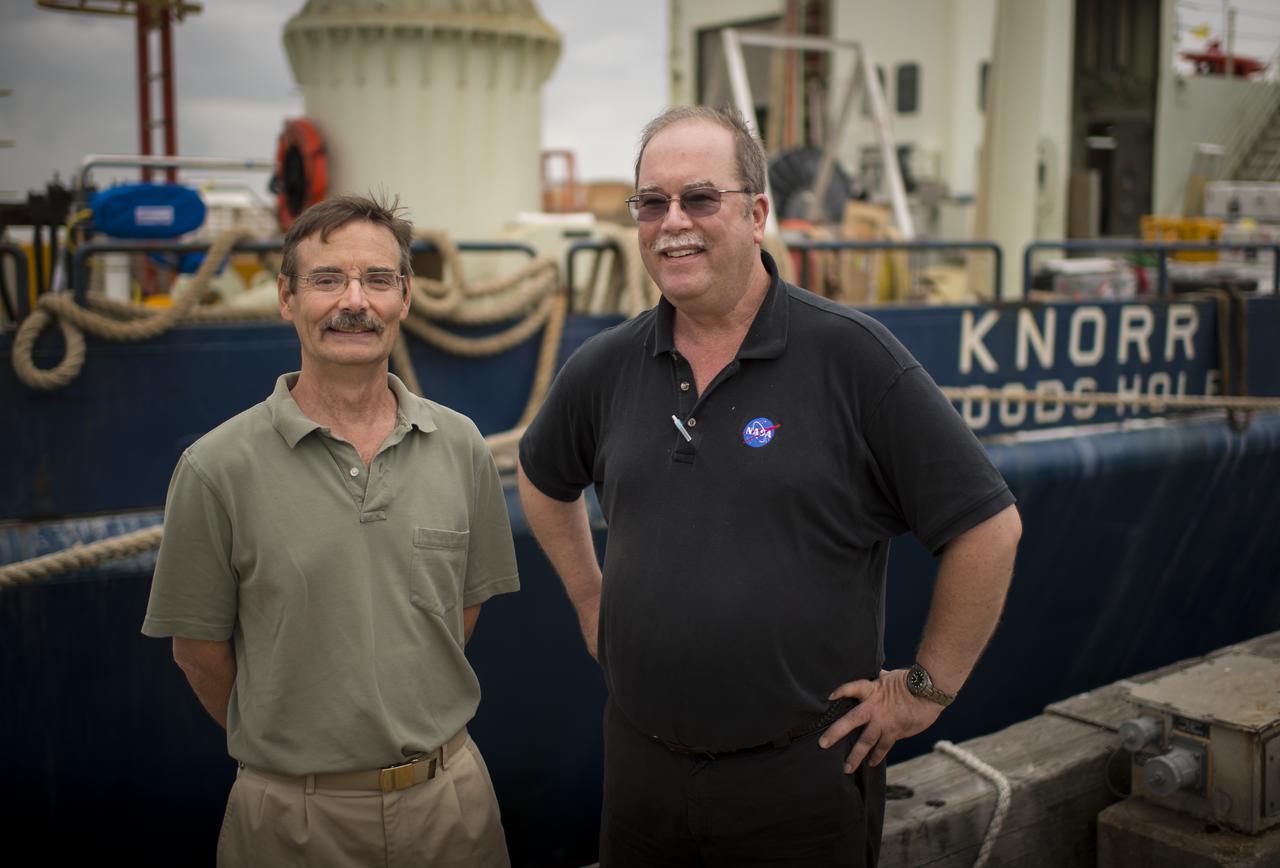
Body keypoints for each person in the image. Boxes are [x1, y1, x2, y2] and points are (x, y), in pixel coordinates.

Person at [517, 106, 1021, 867]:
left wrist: (924, 690)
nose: (672, 222)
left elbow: (988, 528)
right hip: (641, 774)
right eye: (651, 203)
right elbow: (541, 479)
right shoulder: (604, 366)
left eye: (699, 198)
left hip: (800, 784)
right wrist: (594, 604)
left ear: (756, 215)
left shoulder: (854, 359)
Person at [142, 194, 519, 868]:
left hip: (451, 808)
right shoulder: (215, 468)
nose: (355, 301)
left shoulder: (461, 445)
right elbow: (197, 652)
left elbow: (459, 612)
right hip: (291, 824)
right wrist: (298, 755)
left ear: (406, 297)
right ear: (286, 297)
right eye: (326, 280)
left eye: (377, 279)